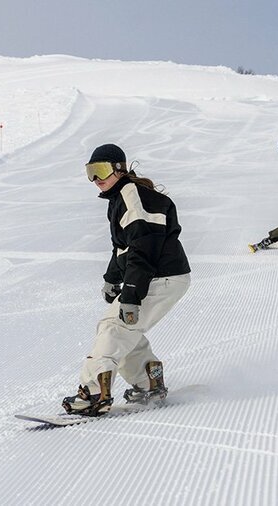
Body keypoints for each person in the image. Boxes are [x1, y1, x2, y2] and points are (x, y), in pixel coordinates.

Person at [62, 144, 192, 416]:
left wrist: (131, 293)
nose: (96, 180)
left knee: (114, 328)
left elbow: (144, 247)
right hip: (160, 276)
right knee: (122, 330)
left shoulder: (131, 195)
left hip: (159, 276)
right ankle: (149, 381)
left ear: (119, 169)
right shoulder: (121, 197)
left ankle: (94, 392)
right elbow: (122, 247)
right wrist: (112, 278)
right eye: (91, 173)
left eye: (101, 171)